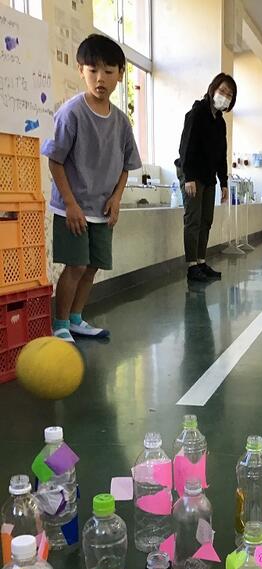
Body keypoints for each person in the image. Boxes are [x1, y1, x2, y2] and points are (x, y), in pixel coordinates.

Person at [42, 34, 141, 343]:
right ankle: (60, 324)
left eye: (109, 71)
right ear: (80, 69)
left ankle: (76, 319)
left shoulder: (121, 122)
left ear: (120, 75)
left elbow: (126, 165)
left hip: (102, 209)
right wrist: (70, 204)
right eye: (93, 70)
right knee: (76, 265)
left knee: (93, 266)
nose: (100, 78)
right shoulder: (71, 113)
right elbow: (55, 161)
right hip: (72, 207)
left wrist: (117, 198)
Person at [176, 73, 237, 282]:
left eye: (229, 94)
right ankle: (192, 266)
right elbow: (185, 147)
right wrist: (189, 177)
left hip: (209, 176)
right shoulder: (197, 113)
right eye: (222, 91)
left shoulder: (220, 122)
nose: (225, 96)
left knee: (206, 220)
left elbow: (221, 155)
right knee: (193, 220)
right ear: (212, 89)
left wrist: (224, 182)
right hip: (192, 173)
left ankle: (201, 261)